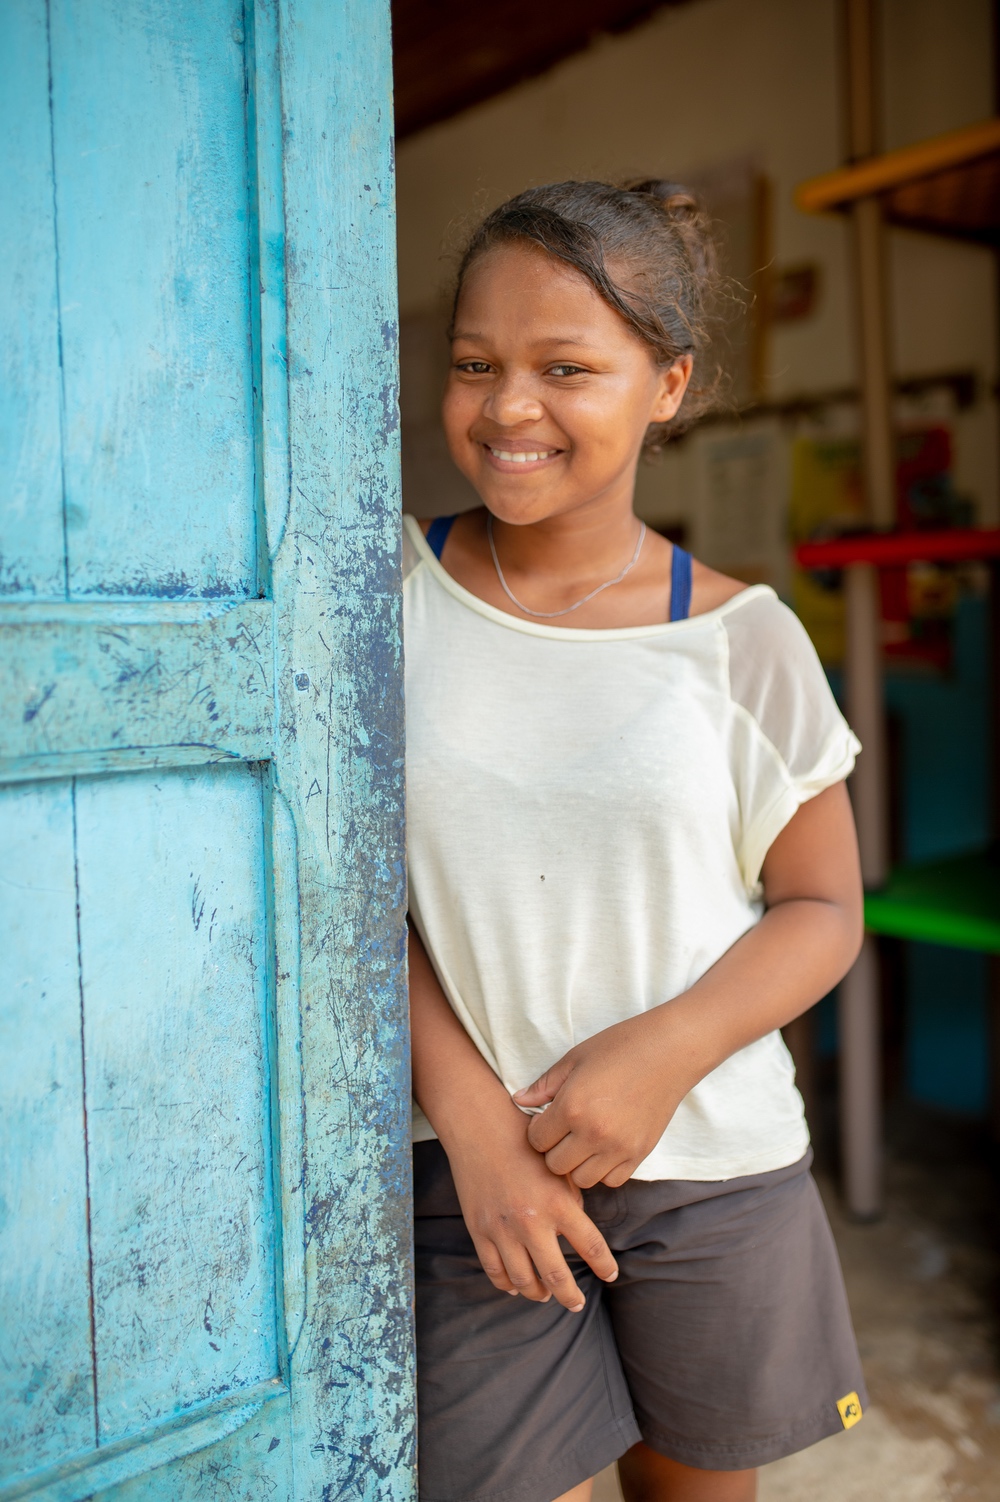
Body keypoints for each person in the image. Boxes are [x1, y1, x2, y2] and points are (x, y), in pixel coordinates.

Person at [403, 180, 867, 1502]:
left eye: (566, 367)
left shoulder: (745, 640)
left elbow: (822, 907)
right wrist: (478, 1129)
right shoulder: (388, 597)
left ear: (667, 385)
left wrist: (661, 1055)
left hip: (709, 1168)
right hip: (474, 1174)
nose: (506, 409)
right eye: (476, 364)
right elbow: (353, 900)